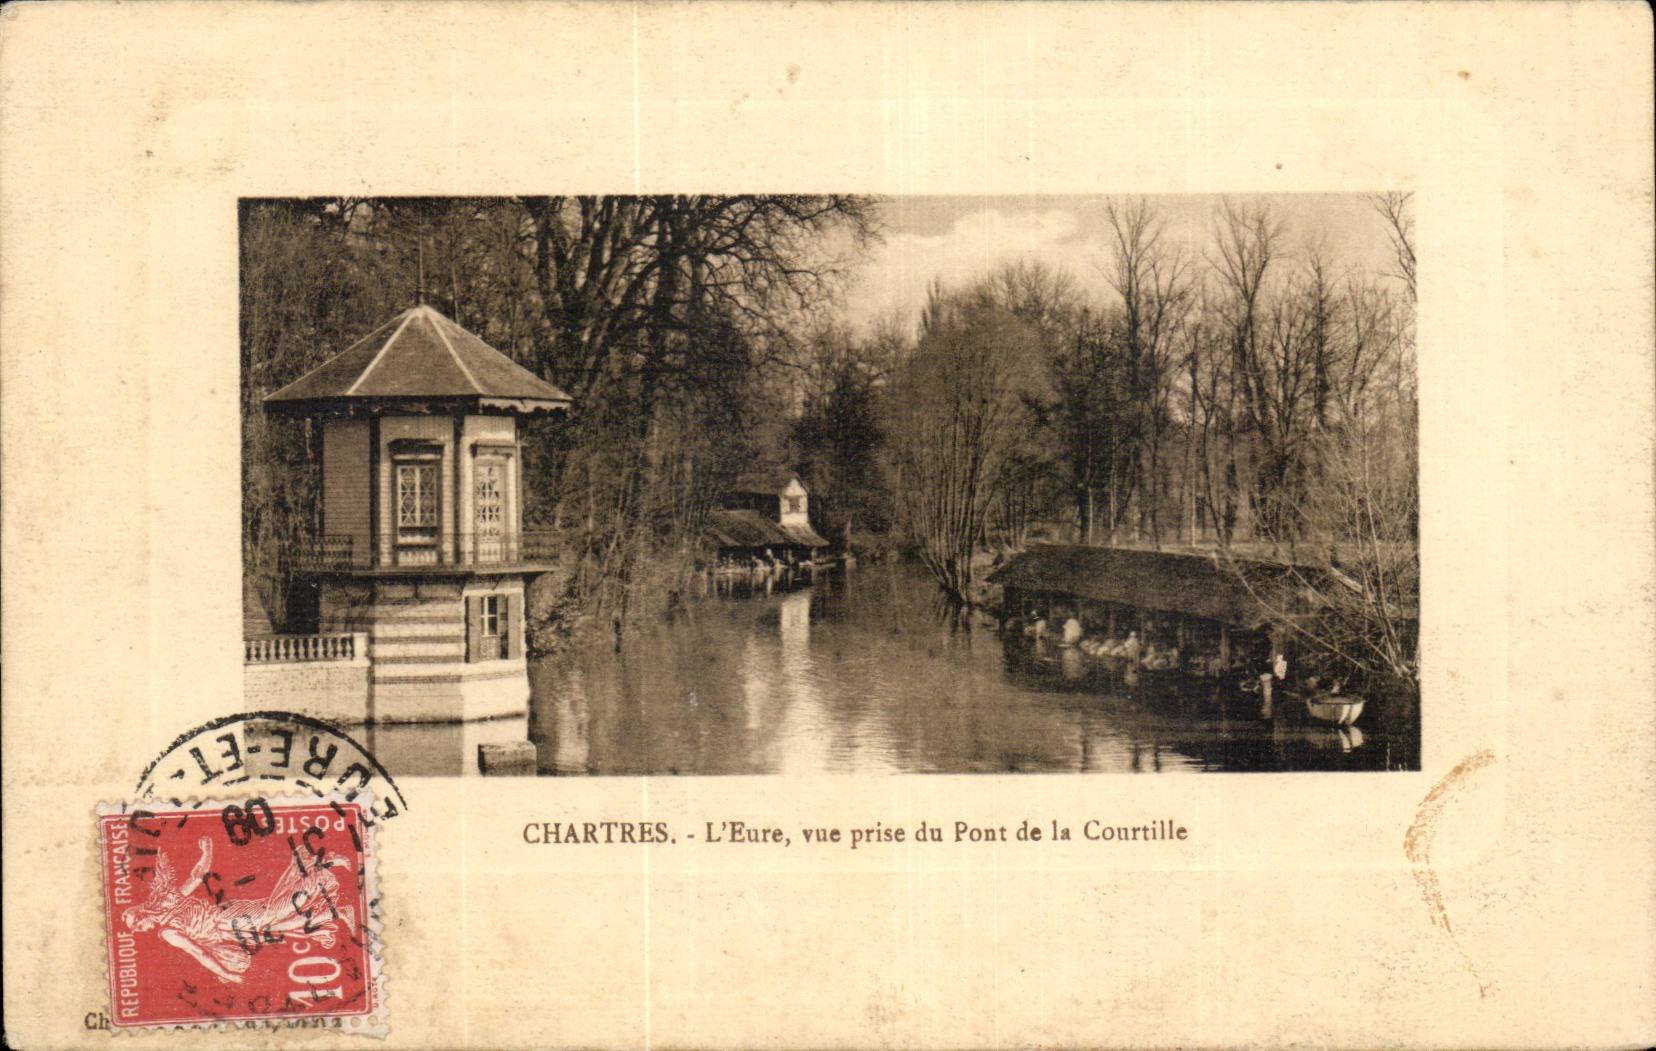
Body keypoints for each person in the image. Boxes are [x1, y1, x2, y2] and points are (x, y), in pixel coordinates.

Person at [122, 836, 355, 985]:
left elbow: (200, 954)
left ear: (143, 915)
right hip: (228, 925)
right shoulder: (171, 901)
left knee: (275, 912)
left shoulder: (168, 932)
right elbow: (197, 876)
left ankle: (319, 868)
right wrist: (207, 851)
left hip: (227, 920)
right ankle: (337, 911)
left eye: (139, 926)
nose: (143, 930)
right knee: (278, 925)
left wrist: (229, 975)